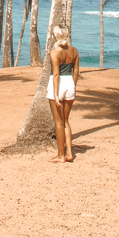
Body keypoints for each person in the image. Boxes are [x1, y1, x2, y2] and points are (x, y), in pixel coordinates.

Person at [47, 24, 79, 163]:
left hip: (58, 85)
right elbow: (76, 71)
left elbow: (55, 75)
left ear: (55, 36)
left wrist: (55, 94)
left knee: (58, 122)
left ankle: (61, 155)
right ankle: (69, 153)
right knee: (66, 121)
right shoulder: (74, 51)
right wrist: (73, 86)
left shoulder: (54, 52)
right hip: (70, 84)